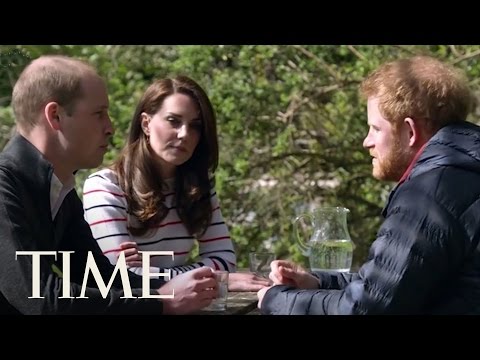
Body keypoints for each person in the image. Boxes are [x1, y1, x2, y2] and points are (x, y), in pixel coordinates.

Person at [258, 55, 480, 315]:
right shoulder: (463, 173)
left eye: (375, 128)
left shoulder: (429, 195)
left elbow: (367, 308)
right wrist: (319, 282)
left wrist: (276, 299)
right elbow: (399, 287)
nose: (366, 142)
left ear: (410, 131)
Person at [0, 55, 218, 315]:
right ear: (55, 116)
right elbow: (41, 298)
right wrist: (162, 302)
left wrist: (190, 286)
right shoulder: (6, 187)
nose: (111, 128)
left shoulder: (57, 188)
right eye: (99, 114)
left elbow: (101, 277)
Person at [82, 75, 269, 292]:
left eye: (195, 126)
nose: (184, 134)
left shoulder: (198, 186)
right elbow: (120, 275)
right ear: (146, 124)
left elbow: (225, 259)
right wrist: (215, 278)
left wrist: (176, 277)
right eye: (173, 121)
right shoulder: (105, 187)